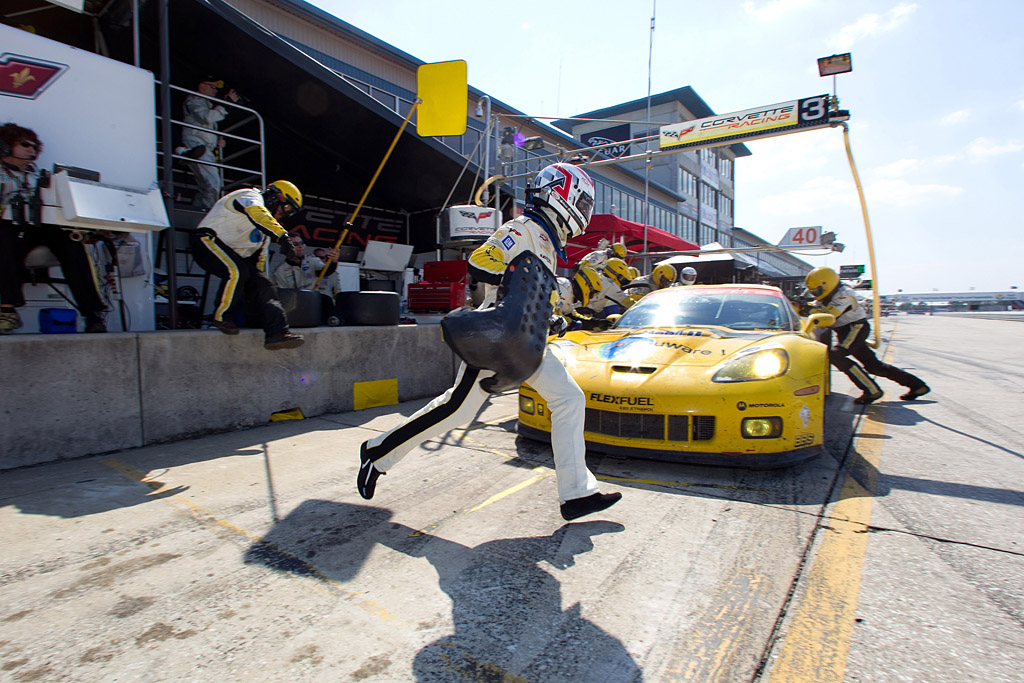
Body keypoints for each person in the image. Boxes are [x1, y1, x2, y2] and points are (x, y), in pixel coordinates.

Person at [358, 162, 621, 522]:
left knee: (569, 399)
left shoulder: (543, 240)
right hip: (498, 336)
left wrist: (551, 315)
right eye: (584, 204)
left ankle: (576, 493)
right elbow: (482, 260)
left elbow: (532, 295)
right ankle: (376, 452)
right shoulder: (523, 228)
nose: (586, 215)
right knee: (457, 410)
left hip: (527, 340)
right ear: (562, 195)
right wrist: (513, 289)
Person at [0, 123, 107, 334]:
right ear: (4, 146)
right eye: (24, 144)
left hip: (43, 226)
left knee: (71, 244)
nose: (31, 150)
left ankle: (92, 313)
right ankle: (7, 309)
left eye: (34, 147)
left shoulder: (43, 175)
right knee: (4, 238)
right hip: (9, 226)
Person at [190, 180, 305, 350]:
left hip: (235, 254)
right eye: (286, 208)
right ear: (275, 196)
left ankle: (277, 332)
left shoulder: (265, 232)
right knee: (237, 271)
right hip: (207, 240)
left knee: (264, 285)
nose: (284, 214)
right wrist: (282, 236)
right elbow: (257, 213)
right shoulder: (249, 196)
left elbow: (259, 260)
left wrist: (257, 285)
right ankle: (221, 316)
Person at [805, 266, 930, 405]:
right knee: (874, 366)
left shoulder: (844, 294)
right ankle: (918, 386)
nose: (815, 294)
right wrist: (803, 306)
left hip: (855, 328)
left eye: (817, 291)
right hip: (845, 331)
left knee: (836, 355)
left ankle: (871, 390)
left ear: (826, 284)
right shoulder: (826, 297)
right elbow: (814, 307)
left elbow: (830, 315)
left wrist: (809, 309)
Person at [179, 77, 240, 210]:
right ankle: (208, 214)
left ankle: (197, 211)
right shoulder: (194, 100)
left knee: (205, 186)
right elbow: (206, 118)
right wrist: (226, 103)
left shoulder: (206, 103)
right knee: (213, 183)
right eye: (213, 87)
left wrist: (216, 141)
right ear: (202, 85)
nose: (215, 91)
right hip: (197, 146)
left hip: (204, 147)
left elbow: (205, 127)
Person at [272, 237, 341, 296]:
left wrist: (333, 261)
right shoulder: (279, 271)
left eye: (301, 243)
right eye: (295, 244)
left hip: (312, 303)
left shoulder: (312, 260)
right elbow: (281, 295)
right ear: (286, 248)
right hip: (293, 306)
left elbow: (327, 271)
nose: (300, 246)